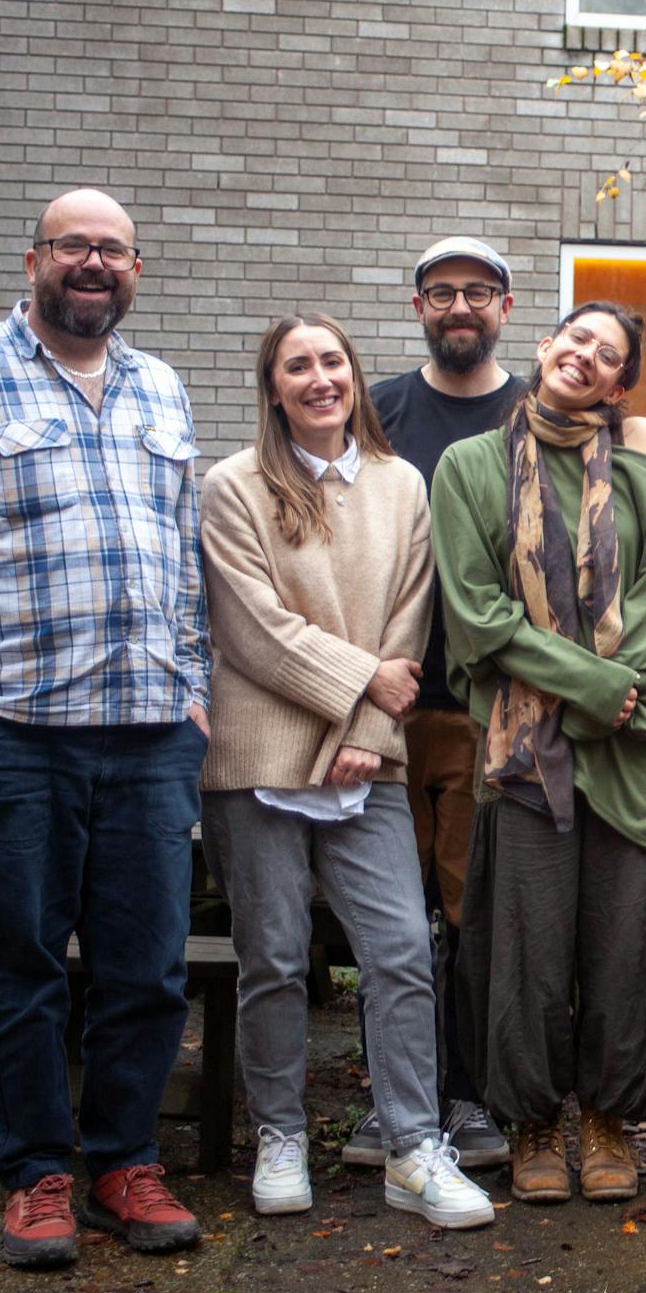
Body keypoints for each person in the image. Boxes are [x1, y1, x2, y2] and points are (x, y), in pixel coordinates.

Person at [0, 189, 209, 1266]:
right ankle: (36, 1174)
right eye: (73, 246)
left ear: (137, 268)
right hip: (18, 737)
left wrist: (195, 690)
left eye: (113, 250)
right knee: (20, 972)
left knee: (145, 969)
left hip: (146, 734)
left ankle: (125, 1163)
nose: (94, 264)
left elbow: (182, 559)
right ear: (34, 257)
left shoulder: (160, 386)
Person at [198, 313, 494, 1230]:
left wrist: (373, 723)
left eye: (333, 361)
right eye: (299, 366)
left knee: (402, 953)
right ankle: (281, 1135)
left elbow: (408, 620)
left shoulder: (403, 483)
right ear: (273, 385)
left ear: (356, 376)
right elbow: (252, 630)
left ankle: (412, 1145)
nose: (320, 378)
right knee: (277, 959)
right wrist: (366, 684)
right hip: (256, 760)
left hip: (367, 760)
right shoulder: (233, 486)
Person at [432, 302, 646, 1205]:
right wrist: (589, 688)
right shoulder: (470, 471)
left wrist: (604, 708)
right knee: (527, 949)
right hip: (523, 758)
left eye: (609, 355)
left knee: (627, 950)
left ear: (620, 386)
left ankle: (610, 1119)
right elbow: (478, 616)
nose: (586, 357)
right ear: (544, 348)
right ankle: (537, 1120)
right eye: (576, 339)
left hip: (631, 756)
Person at [354, 236, 530, 1172]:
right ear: (418, 304)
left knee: (473, 917)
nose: (459, 307)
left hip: (491, 707)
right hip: (384, 702)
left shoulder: (536, 412)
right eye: (440, 292)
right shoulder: (375, 410)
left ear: (506, 303)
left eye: (476, 291)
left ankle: (469, 1097)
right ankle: (392, 1102)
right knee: (390, 918)